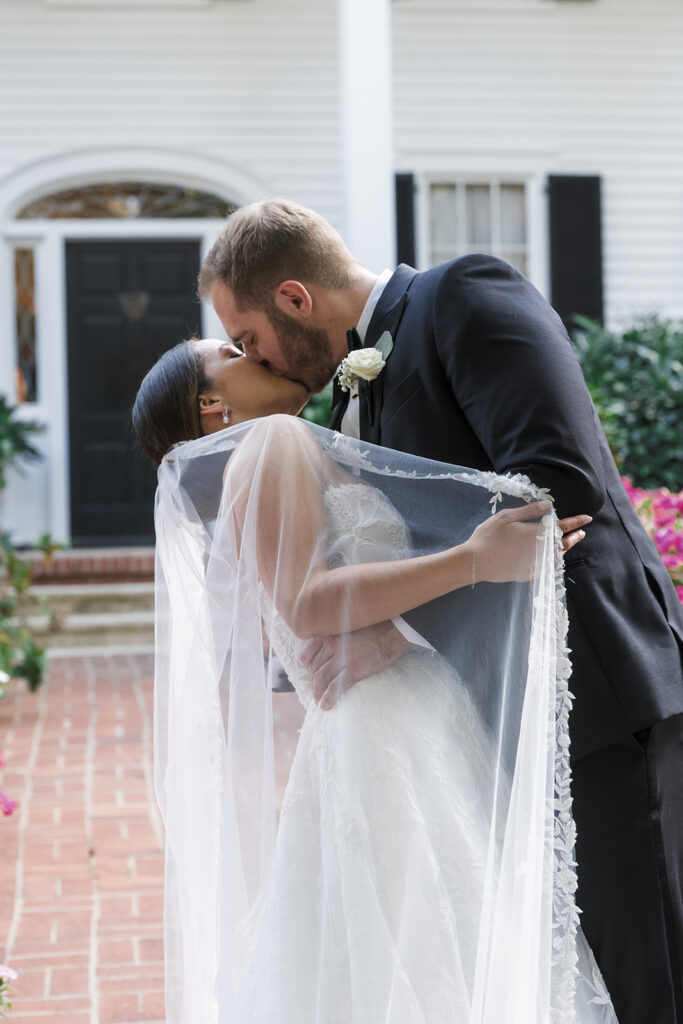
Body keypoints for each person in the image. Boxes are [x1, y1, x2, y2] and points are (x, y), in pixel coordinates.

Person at [197, 198, 683, 1024]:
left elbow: (556, 488)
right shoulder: (344, 405)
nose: (254, 357)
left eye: (247, 339)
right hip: (492, 720)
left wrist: (407, 609)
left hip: (598, 697)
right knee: (579, 965)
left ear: (293, 298)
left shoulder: (462, 295)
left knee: (647, 970)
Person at [132, 341, 614, 1023]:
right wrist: (474, 560)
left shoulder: (288, 448)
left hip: (392, 713)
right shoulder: (271, 441)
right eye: (230, 350)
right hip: (382, 729)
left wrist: (395, 625)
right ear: (211, 404)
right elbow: (304, 603)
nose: (251, 349)